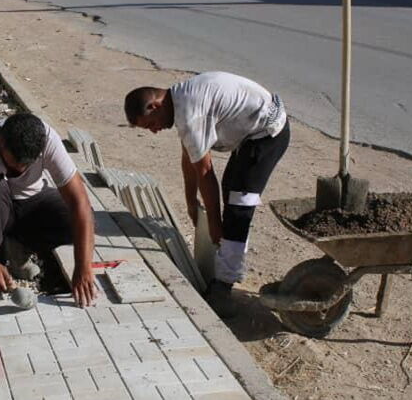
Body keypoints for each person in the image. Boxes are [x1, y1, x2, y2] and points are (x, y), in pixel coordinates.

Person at [124, 72, 289, 316]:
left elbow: (204, 172)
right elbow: (189, 159)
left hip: (267, 134)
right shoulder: (180, 101)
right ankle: (226, 264)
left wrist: (214, 222)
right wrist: (191, 202)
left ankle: (223, 286)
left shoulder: (191, 114)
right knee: (228, 190)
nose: (154, 131)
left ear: (154, 106)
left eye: (150, 124)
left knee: (238, 205)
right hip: (251, 133)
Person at [0, 113, 97, 307]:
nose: (16, 173)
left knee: (77, 220)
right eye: (12, 168)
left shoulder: (48, 138)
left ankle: (19, 248)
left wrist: (83, 266)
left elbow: (79, 202)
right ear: (0, 141)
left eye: (24, 168)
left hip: (31, 200)